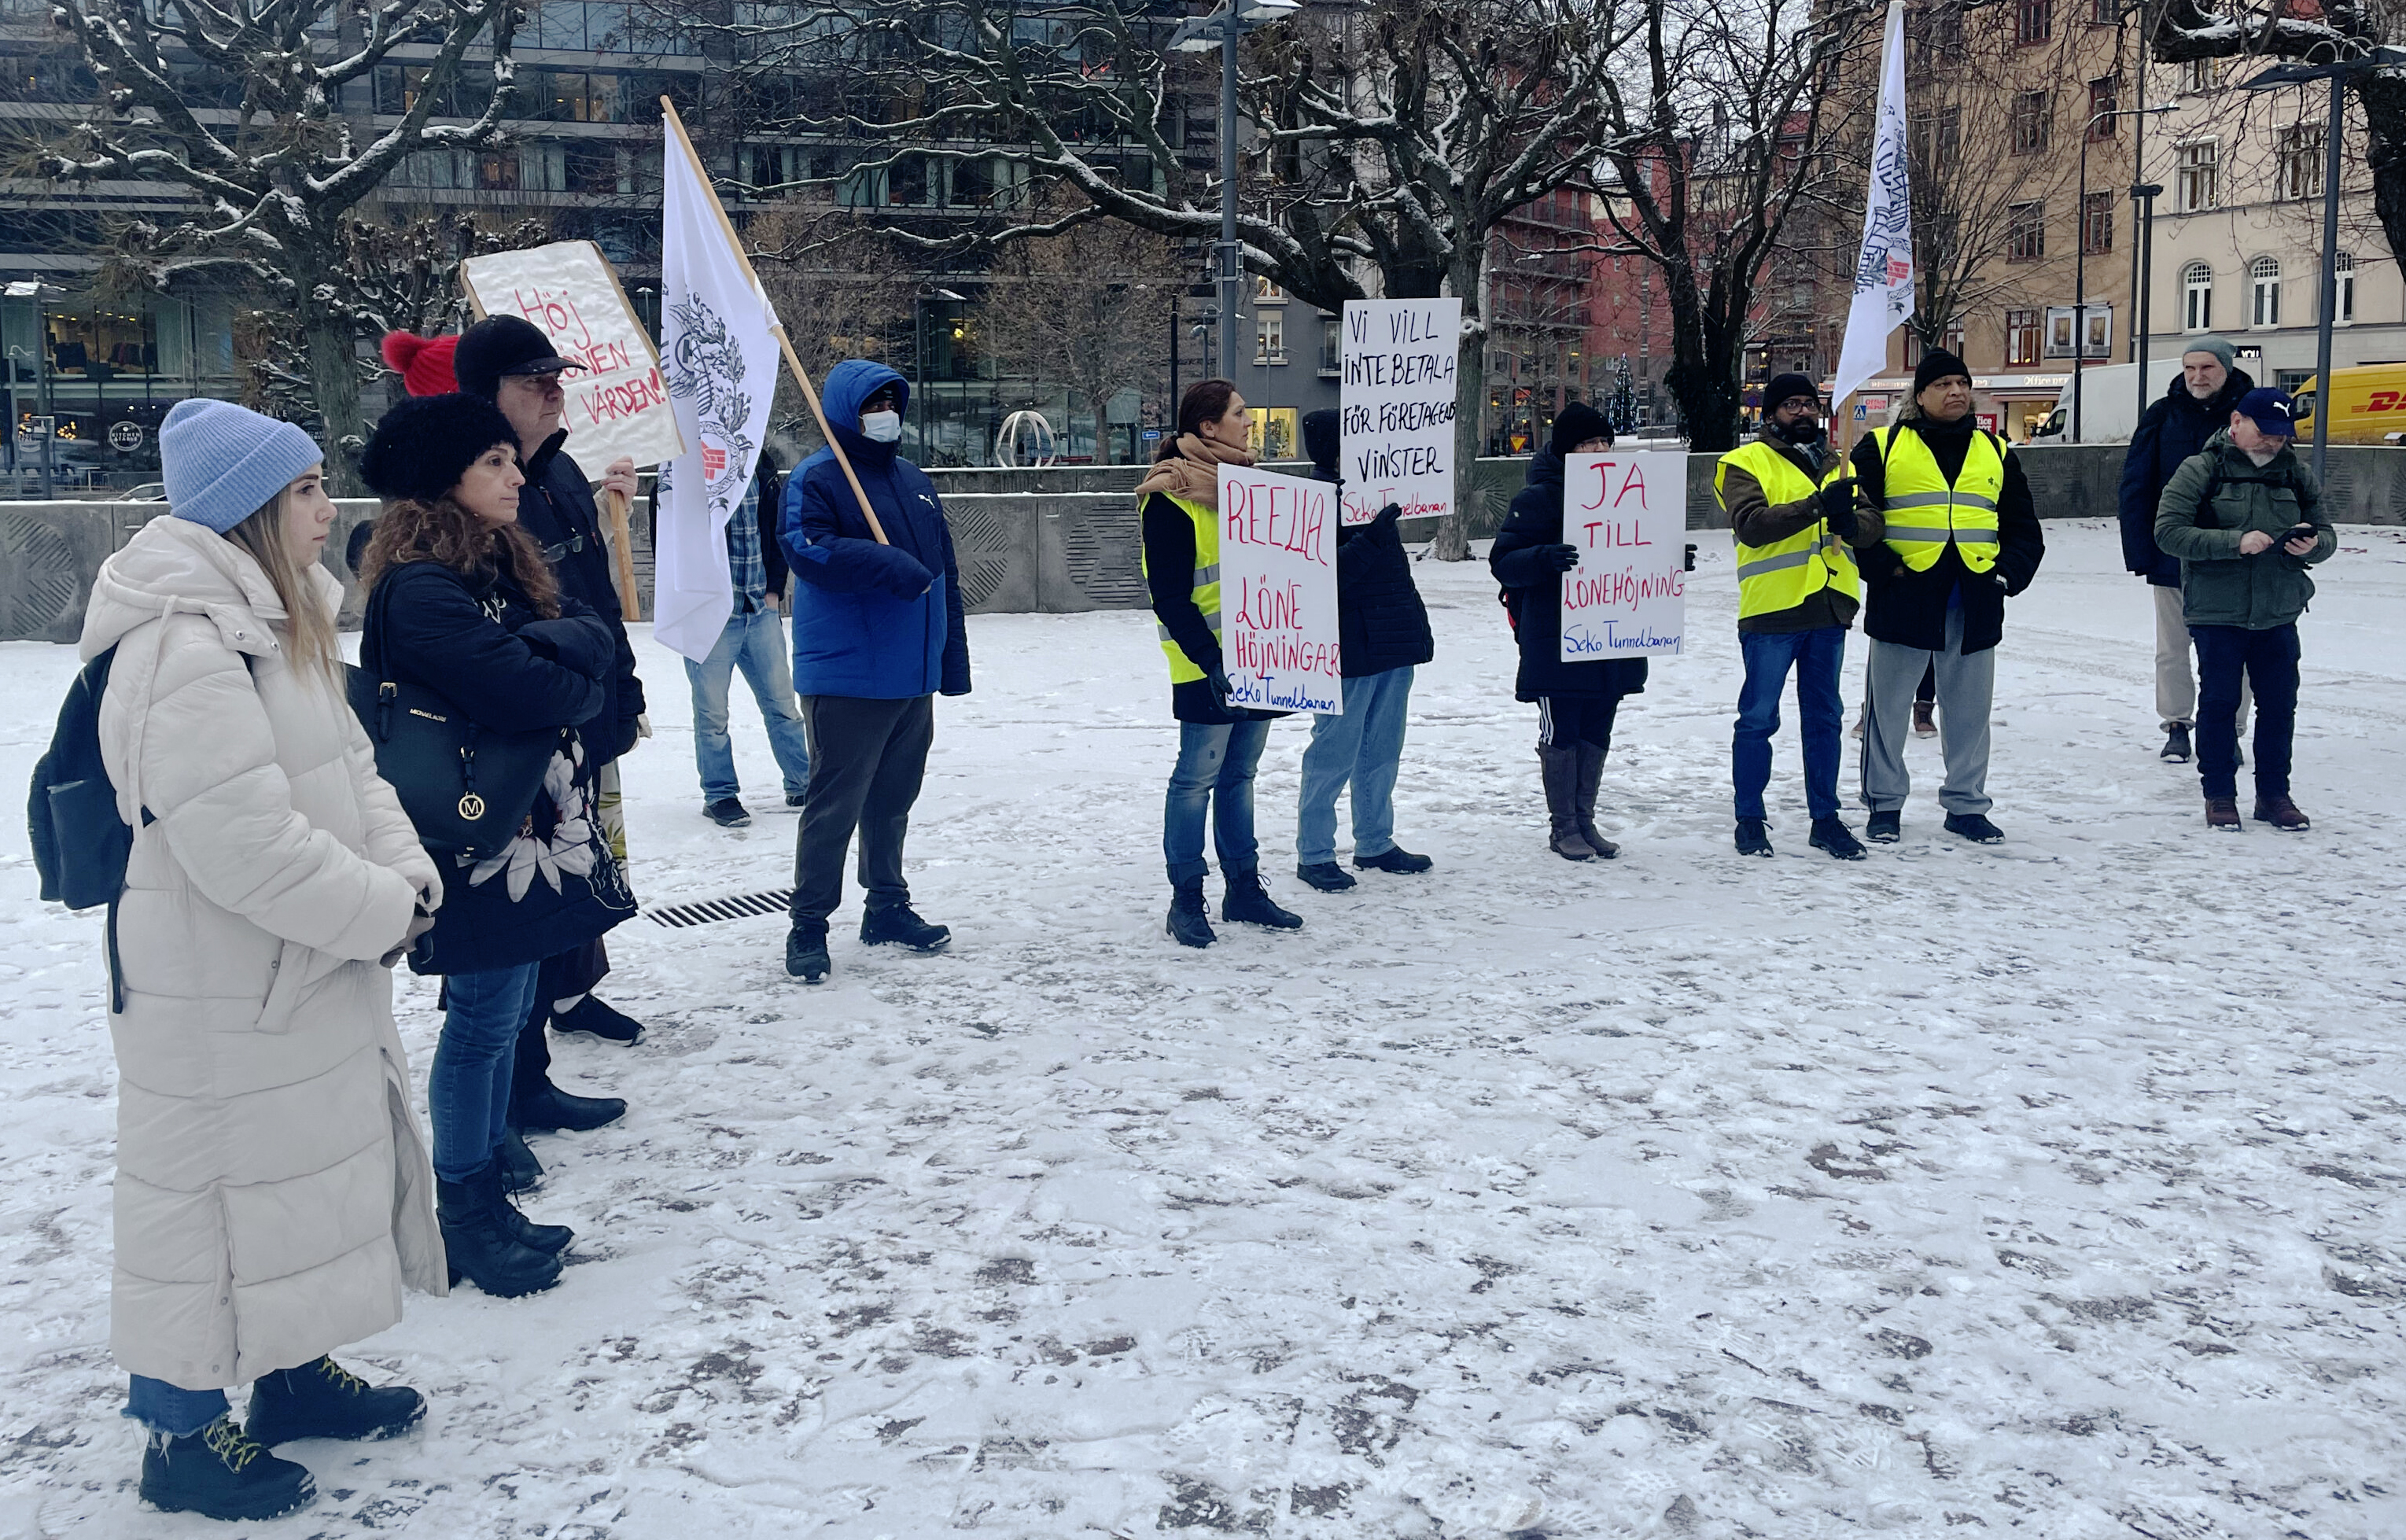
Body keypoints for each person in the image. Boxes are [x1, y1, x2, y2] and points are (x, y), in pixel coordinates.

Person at [82, 400, 440, 1521]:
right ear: (248, 510)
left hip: (292, 965)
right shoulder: (185, 643)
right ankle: (180, 1435)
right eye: (305, 490)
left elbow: (355, 771)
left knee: (300, 1184)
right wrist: (381, 907)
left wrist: (403, 871)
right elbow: (242, 844)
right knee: (211, 1204)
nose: (329, 508)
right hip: (217, 981)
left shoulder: (277, 622)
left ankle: (290, 1372)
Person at [356, 392, 636, 1298]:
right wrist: (567, 655)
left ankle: (481, 1197)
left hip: (517, 829)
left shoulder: (494, 570)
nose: (518, 474)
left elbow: (585, 644)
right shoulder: (422, 585)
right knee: (479, 1026)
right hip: (472, 836)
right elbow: (530, 688)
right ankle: (463, 1213)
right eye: (495, 464)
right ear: (445, 481)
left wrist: (564, 648)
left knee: (504, 1014)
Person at [453, 316, 643, 1171]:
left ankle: (530, 1077)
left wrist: (622, 686)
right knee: (507, 931)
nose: (553, 387)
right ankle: (495, 1112)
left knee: (556, 908)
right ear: (484, 393)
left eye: (556, 372)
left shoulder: (560, 469)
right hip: (513, 741)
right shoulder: (466, 490)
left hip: (580, 721)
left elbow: (594, 593)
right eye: (532, 377)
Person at [778, 361, 971, 982]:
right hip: (849, 676)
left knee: (892, 803)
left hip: (911, 673)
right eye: (872, 404)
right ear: (844, 410)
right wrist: (883, 563)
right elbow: (806, 549)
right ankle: (808, 923)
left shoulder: (914, 480)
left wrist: (950, 658)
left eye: (892, 400)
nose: (885, 413)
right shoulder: (817, 477)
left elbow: (944, 576)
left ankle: (886, 904)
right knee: (834, 806)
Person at [1849, 349, 2046, 844]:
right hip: (1905, 593)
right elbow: (1855, 521)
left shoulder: (1997, 450)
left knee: (1970, 711)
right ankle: (1884, 804)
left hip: (1976, 596)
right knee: (1888, 709)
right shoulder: (1880, 447)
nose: (1956, 391)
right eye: (1943, 384)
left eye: (1962, 382)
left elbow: (2024, 528)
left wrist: (2007, 577)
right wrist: (1883, 571)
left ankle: (1966, 805)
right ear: (1919, 396)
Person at [1138, 378, 1305, 945]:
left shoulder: (1251, 490)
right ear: (1208, 426)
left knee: (1239, 776)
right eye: (1239, 413)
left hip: (1260, 657)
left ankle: (1243, 890)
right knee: (1195, 781)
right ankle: (1186, 899)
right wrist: (1211, 659)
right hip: (1205, 663)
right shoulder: (1171, 495)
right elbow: (1169, 595)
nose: (1249, 421)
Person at [1715, 373, 1883, 860]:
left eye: (1811, 404)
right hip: (1772, 611)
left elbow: (1873, 525)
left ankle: (1825, 820)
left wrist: (1853, 522)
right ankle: (1749, 818)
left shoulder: (1839, 464)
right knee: (1757, 719)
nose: (1805, 412)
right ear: (1770, 415)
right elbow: (1751, 526)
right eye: (1792, 405)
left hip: (1829, 608)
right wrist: (1816, 507)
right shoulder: (1742, 462)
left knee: (1825, 719)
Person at [2151, 387, 2335, 831]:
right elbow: (2168, 533)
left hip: (2278, 608)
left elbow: (2328, 534)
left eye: (2282, 434)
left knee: (2278, 705)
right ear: (2237, 423)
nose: (2275, 441)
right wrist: (2234, 542)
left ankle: (2274, 795)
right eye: (2266, 431)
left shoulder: (2296, 474)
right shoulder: (2201, 468)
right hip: (2218, 611)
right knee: (2219, 702)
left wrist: (2313, 545)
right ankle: (2219, 794)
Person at [1489, 402, 1647, 860]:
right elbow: (1503, 563)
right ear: (1567, 450)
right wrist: (1544, 558)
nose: (1599, 450)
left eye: (1604, 442)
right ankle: (1563, 827)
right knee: (1563, 730)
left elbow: (1638, 550)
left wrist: (1671, 560)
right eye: (1587, 443)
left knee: (1597, 728)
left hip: (1612, 638)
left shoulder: (1629, 493)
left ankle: (1585, 821)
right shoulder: (1538, 498)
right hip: (1557, 640)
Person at [1292, 407, 1435, 893]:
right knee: (1334, 751)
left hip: (1391, 639)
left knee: (1382, 749)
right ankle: (1314, 853)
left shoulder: (1373, 493)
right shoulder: (1311, 500)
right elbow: (1322, 578)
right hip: (1346, 645)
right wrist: (1372, 539)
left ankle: (1374, 841)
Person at [2119, 336, 2257, 762]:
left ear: (2227, 370)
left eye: (2208, 368)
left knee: (2236, 650)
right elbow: (2136, 483)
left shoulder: (2251, 415)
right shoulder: (2162, 415)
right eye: (2190, 368)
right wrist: (2140, 551)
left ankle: (2229, 729)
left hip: (2237, 554)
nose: (2197, 377)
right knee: (2172, 647)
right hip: (2171, 553)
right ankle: (2177, 724)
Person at [687, 447, 812, 827]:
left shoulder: (761, 467)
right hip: (710, 616)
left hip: (759, 608)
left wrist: (775, 587)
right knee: (712, 716)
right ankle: (720, 795)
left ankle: (803, 782)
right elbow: (672, 546)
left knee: (783, 707)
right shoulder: (685, 473)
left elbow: (777, 533)